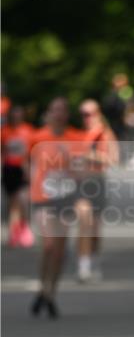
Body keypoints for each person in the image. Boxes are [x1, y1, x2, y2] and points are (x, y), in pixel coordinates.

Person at [29, 97, 89, 318]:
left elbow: (82, 171)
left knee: (60, 250)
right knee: (48, 245)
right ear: (49, 113)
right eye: (55, 110)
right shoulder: (37, 137)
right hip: (43, 197)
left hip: (65, 197)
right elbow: (29, 163)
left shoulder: (76, 137)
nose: (59, 114)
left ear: (67, 114)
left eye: (63, 110)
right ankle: (42, 287)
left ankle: (51, 294)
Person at [76, 99, 119, 282]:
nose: (86, 118)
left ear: (98, 113)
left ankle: (94, 261)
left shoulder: (104, 133)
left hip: (97, 181)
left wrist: (88, 155)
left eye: (89, 113)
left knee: (95, 229)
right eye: (83, 114)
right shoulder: (79, 133)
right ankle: (83, 266)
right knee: (83, 222)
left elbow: (113, 159)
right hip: (80, 183)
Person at [2, 104, 35, 247]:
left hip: (23, 169)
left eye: (19, 114)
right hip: (9, 169)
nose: (16, 117)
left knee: (23, 200)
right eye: (14, 114)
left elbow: (32, 151)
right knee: (13, 203)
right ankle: (12, 233)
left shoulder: (28, 130)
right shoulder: (5, 131)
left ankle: (24, 227)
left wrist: (31, 169)